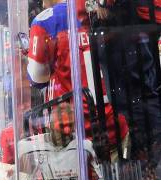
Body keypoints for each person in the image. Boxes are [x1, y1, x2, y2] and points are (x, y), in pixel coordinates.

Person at [27, 0, 130, 162]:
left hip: (71, 132)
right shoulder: (98, 10)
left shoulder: (45, 21)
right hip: (113, 126)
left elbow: (37, 76)